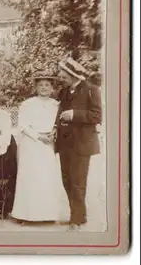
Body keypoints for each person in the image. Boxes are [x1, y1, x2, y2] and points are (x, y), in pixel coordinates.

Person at [56, 56, 102, 231]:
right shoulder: (65, 91)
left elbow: (97, 116)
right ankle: (79, 215)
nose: (61, 76)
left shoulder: (91, 90)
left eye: (63, 73)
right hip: (65, 144)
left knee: (78, 181)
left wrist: (75, 115)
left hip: (82, 144)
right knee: (67, 180)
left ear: (72, 74)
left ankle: (76, 219)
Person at [11, 71, 62, 223]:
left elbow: (58, 123)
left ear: (52, 87)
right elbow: (23, 126)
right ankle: (26, 215)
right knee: (31, 178)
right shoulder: (28, 104)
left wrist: (53, 132)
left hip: (48, 143)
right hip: (32, 143)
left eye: (47, 85)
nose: (44, 88)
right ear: (36, 87)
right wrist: (39, 136)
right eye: (41, 85)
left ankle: (48, 215)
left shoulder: (56, 105)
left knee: (46, 178)